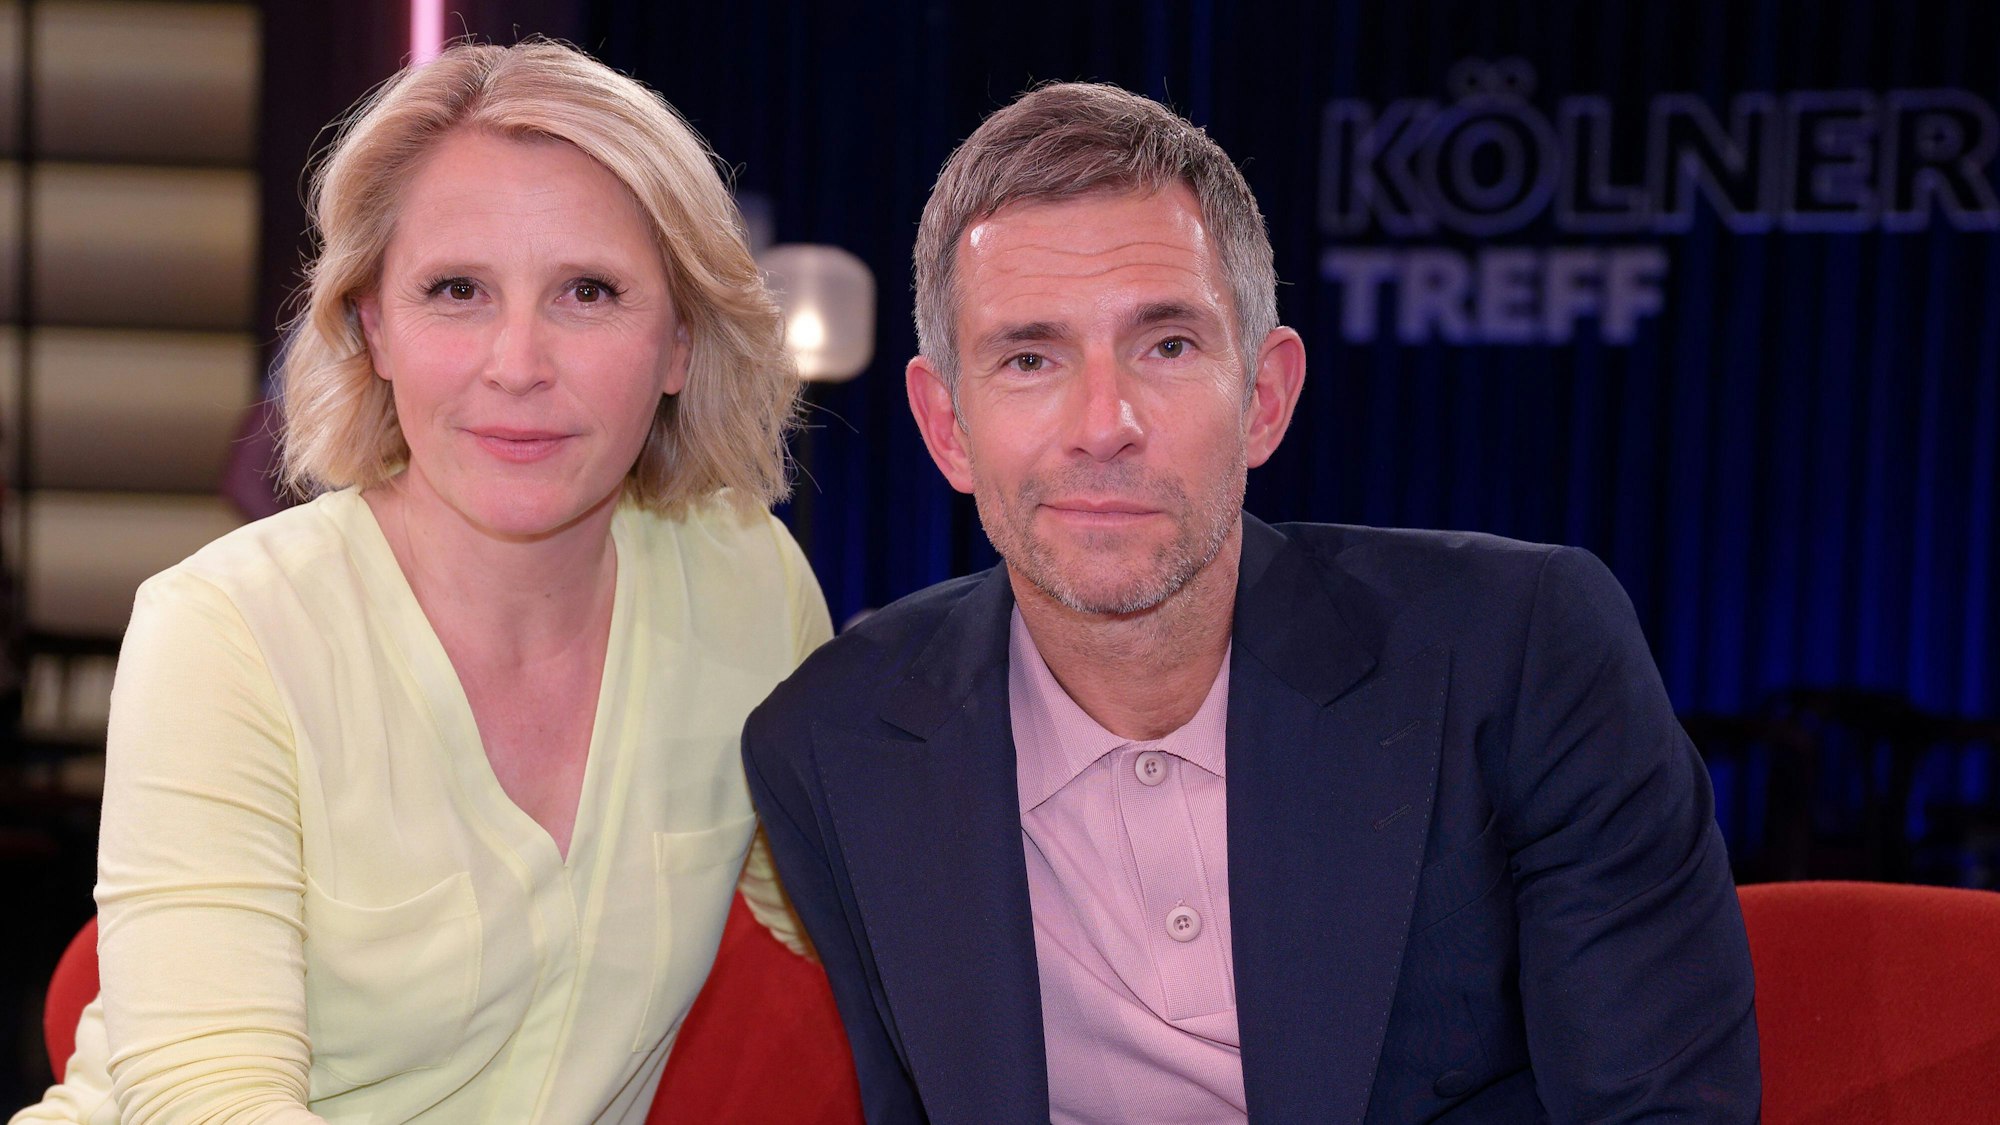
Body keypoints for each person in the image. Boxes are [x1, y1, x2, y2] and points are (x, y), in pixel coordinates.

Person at [742, 82, 1759, 1123]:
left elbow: (1663, 1109)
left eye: (1167, 346)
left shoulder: (1522, 650)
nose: (1104, 423)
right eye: (1030, 358)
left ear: (1264, 398)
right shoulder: (829, 743)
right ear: (946, 427)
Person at [15, 40, 830, 1124]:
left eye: (588, 292)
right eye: (457, 291)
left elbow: (847, 924)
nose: (518, 363)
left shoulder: (747, 582)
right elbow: (206, 1101)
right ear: (373, 328)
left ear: (679, 341)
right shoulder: (225, 629)